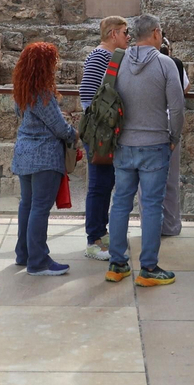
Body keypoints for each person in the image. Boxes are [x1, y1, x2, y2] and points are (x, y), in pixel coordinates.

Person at [106, 14, 182, 287]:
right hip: (155, 143)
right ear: (156, 33)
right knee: (151, 206)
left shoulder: (117, 62)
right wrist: (174, 137)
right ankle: (148, 268)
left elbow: (107, 100)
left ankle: (117, 264)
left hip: (124, 143)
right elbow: (176, 107)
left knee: (121, 204)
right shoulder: (165, 64)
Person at [9, 41, 76, 275]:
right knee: (39, 208)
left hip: (24, 153)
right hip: (44, 156)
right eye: (53, 63)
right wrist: (74, 135)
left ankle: (24, 254)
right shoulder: (43, 93)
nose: (55, 67)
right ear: (44, 65)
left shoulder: (21, 90)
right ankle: (38, 262)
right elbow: (59, 128)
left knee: (27, 205)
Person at [80, 16, 131, 260]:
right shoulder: (100, 56)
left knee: (106, 183)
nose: (128, 37)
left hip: (107, 132)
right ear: (113, 34)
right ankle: (94, 239)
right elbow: (89, 97)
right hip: (100, 132)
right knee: (99, 185)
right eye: (124, 32)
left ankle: (102, 231)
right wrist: (102, 129)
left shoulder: (108, 57)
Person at [159, 35, 189, 237]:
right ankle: (170, 225)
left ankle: (150, 225)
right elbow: (184, 88)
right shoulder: (174, 64)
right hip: (169, 122)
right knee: (171, 176)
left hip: (147, 124)